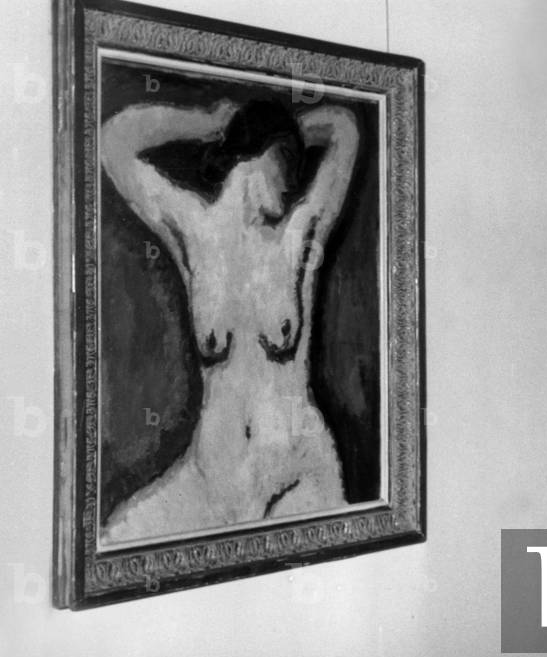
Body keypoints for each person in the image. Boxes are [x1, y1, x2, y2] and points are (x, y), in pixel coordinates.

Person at [100, 97, 361, 542]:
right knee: (113, 537)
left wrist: (288, 124)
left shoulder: (298, 237)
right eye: (287, 164)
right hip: (212, 480)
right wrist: (208, 122)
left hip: (296, 473)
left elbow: (345, 130)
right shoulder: (191, 232)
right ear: (261, 155)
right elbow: (113, 143)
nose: (292, 182)